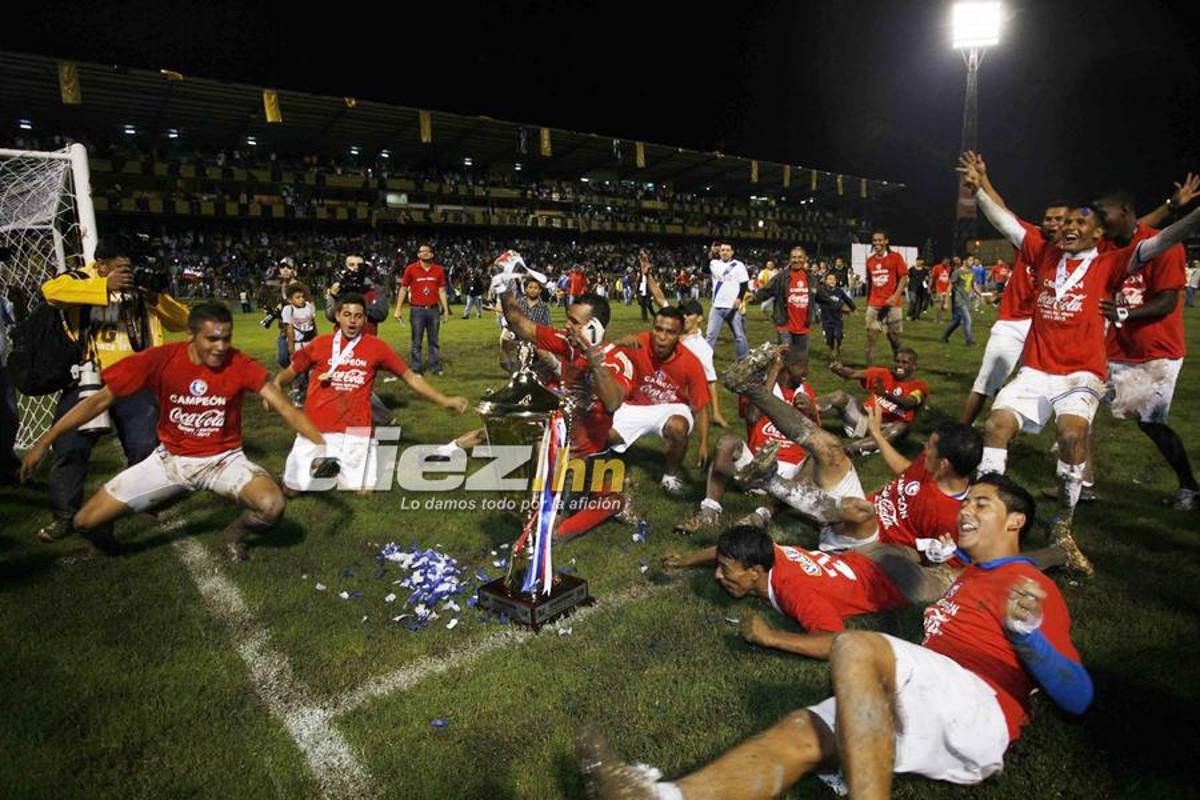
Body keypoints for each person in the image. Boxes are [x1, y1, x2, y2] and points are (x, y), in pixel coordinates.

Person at [579, 474, 1093, 800]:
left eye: (981, 504)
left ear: (1017, 520)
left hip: (980, 707)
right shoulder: (971, 573)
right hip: (932, 705)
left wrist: (1027, 638)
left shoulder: (1027, 586)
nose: (965, 510)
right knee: (798, 735)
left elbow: (1078, 697)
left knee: (853, 645)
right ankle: (663, 796)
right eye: (967, 501)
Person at [962, 151, 1200, 565]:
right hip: (1036, 369)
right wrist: (980, 188)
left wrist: (1193, 216)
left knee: (1072, 436)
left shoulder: (1110, 264)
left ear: (1097, 235)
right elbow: (1005, 220)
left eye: (1080, 223)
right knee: (996, 427)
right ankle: (985, 511)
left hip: (1081, 376)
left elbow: (1163, 239)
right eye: (1066, 222)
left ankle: (1062, 527)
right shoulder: (1042, 251)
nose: (1069, 227)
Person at [20, 303, 325, 562]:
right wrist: (43, 442)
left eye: (226, 339)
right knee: (84, 521)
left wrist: (321, 444)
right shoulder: (160, 359)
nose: (221, 347)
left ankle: (234, 536)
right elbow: (99, 400)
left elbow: (285, 408)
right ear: (190, 335)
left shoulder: (240, 363)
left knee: (272, 506)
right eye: (212, 339)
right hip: (170, 461)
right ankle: (108, 545)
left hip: (223, 460)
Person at [34, 235, 190, 544]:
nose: (126, 274)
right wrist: (104, 286)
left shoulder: (140, 289)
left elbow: (182, 321)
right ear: (101, 265)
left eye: (129, 268)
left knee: (145, 447)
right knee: (70, 448)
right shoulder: (81, 278)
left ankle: (142, 503)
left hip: (136, 381)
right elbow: (50, 291)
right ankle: (65, 515)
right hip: (90, 380)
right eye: (120, 268)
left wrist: (153, 295)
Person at [274, 293, 468, 493]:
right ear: (338, 316)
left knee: (364, 490)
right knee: (291, 490)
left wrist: (444, 400)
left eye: (358, 316)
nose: (352, 321)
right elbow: (291, 371)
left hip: (355, 428)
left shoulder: (377, 347)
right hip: (316, 426)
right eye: (347, 314)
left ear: (365, 320)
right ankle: (323, 464)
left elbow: (410, 377)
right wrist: (278, 384)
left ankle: (331, 464)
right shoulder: (320, 344)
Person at [497, 277, 633, 538]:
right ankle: (599, 494)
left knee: (549, 534)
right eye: (568, 318)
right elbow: (519, 323)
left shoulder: (616, 358)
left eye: (575, 322)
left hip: (587, 457)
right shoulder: (567, 344)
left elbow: (613, 402)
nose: (567, 326)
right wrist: (505, 285)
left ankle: (610, 501)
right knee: (533, 516)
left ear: (595, 328)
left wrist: (593, 360)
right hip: (560, 447)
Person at [1092, 189, 1197, 510]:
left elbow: (1167, 301)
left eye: (1102, 214)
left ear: (1124, 211)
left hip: (1156, 351)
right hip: (1118, 347)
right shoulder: (1109, 245)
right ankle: (1079, 482)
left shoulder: (1164, 245)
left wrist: (1124, 313)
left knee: (1151, 422)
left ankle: (1190, 488)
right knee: (1082, 404)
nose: (1096, 221)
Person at [663, 524, 908, 659]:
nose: (717, 575)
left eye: (725, 570)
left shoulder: (793, 590)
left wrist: (771, 637)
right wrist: (685, 560)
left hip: (897, 581)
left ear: (755, 572)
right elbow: (725, 550)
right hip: (863, 559)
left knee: (942, 572)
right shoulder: (768, 551)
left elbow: (834, 642)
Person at [674, 347, 816, 534]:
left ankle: (762, 515)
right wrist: (773, 372)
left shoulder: (805, 393)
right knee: (727, 441)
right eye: (802, 366)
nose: (806, 372)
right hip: (756, 467)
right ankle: (709, 511)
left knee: (816, 460)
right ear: (786, 366)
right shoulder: (755, 387)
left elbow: (819, 439)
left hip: (792, 473)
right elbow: (752, 416)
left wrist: (812, 410)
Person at [961, 194, 1069, 425]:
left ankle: (1006, 434)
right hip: (1013, 322)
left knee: (1047, 385)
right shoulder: (1031, 238)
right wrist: (983, 181)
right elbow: (1003, 214)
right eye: (1048, 218)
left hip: (1047, 326)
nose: (1051, 223)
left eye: (1059, 219)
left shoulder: (1077, 252)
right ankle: (961, 432)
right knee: (985, 382)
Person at [608, 306, 711, 497]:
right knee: (604, 437)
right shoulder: (637, 343)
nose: (662, 336)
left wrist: (704, 443)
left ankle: (670, 477)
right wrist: (617, 343)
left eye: (670, 332)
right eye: (658, 329)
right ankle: (605, 466)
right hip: (634, 406)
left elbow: (701, 405)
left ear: (679, 335)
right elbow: (603, 358)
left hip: (670, 407)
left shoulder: (691, 362)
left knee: (678, 427)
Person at [821, 348, 926, 454]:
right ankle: (807, 412)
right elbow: (853, 374)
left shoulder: (920, 387)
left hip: (885, 430)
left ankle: (848, 449)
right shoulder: (883, 373)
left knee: (902, 426)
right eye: (897, 361)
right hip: (863, 419)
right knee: (840, 396)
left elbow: (908, 403)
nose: (900, 366)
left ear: (914, 366)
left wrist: (885, 394)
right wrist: (840, 369)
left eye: (905, 363)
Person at [394, 243, 450, 375]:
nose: (424, 253)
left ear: (432, 254)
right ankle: (416, 368)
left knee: (434, 341)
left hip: (433, 309)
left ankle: (435, 367)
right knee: (416, 341)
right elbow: (403, 289)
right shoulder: (410, 269)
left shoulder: (439, 270)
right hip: (417, 310)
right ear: (418, 254)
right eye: (421, 251)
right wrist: (398, 309)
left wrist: (446, 309)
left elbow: (441, 290)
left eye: (427, 251)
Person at [752, 245, 811, 358]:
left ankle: (796, 375)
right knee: (786, 357)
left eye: (800, 257)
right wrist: (754, 298)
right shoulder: (781, 277)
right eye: (794, 257)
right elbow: (766, 291)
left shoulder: (811, 278)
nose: (796, 260)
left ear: (805, 258)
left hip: (803, 326)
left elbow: (823, 296)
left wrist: (841, 305)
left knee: (801, 359)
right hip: (785, 324)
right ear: (790, 259)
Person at [863, 229, 908, 364]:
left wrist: (895, 296)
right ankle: (869, 373)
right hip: (875, 305)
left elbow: (904, 277)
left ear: (886, 241)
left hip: (893, 306)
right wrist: (868, 302)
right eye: (875, 240)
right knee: (871, 338)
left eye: (880, 240)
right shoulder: (870, 261)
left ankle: (900, 365)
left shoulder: (895, 257)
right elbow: (870, 283)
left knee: (895, 340)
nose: (877, 243)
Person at [704, 242, 751, 359]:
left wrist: (739, 298)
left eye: (727, 250)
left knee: (740, 336)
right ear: (719, 252)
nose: (725, 252)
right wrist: (710, 252)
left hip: (733, 308)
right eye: (722, 250)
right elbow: (704, 268)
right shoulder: (714, 263)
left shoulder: (738, 265)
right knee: (710, 335)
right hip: (717, 307)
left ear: (732, 252)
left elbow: (744, 284)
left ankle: (743, 360)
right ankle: (704, 361)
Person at [280, 282, 317, 405]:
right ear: (290, 299)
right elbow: (289, 329)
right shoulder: (288, 309)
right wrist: (291, 347)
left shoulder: (308, 306)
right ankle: (296, 394)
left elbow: (313, 324)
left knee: (313, 369)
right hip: (298, 344)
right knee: (297, 371)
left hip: (310, 343)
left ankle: (311, 394)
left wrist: (316, 340)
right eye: (297, 297)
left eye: (302, 296)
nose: (301, 299)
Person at [813, 272, 856, 363]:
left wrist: (853, 309)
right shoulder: (822, 292)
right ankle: (831, 347)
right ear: (825, 281)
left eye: (834, 279)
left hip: (837, 318)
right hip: (826, 319)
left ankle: (837, 348)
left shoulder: (839, 291)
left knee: (838, 334)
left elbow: (847, 300)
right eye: (830, 279)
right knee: (829, 337)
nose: (832, 281)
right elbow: (814, 298)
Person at [940, 256, 983, 346]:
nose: (972, 262)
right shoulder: (957, 272)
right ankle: (969, 341)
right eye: (970, 260)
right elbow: (949, 287)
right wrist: (946, 302)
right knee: (968, 320)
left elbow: (974, 286)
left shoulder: (972, 272)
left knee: (956, 321)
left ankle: (944, 336)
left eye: (973, 260)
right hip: (958, 300)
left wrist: (980, 295)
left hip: (966, 300)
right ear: (964, 261)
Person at [930, 258, 952, 324]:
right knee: (939, 304)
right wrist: (930, 286)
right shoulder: (937, 267)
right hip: (938, 288)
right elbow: (933, 277)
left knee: (944, 305)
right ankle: (937, 318)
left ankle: (941, 319)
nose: (947, 264)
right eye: (946, 262)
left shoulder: (949, 268)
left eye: (948, 263)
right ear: (942, 262)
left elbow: (949, 277)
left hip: (946, 289)